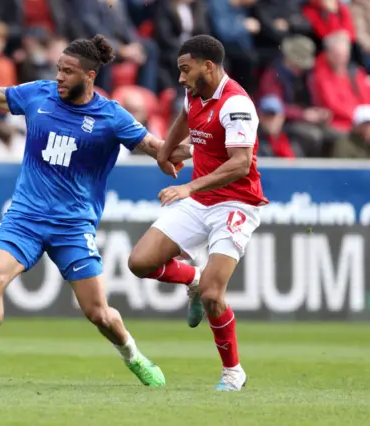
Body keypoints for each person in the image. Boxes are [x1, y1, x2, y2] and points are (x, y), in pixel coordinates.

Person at [0, 35, 191, 388]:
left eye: (68, 71)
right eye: (58, 69)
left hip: (73, 225)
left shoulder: (111, 116)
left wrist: (193, 151)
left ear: (91, 76)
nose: (60, 77)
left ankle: (133, 356)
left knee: (99, 314)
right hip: (25, 217)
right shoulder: (39, 94)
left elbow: (155, 146)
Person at [127, 35, 268, 392]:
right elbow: (184, 116)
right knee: (140, 262)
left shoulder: (236, 105)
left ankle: (233, 373)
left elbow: (239, 164)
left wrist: (189, 187)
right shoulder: (196, 93)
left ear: (209, 66)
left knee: (212, 295)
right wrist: (166, 150)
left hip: (235, 203)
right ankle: (191, 277)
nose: (180, 78)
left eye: (185, 70)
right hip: (201, 201)